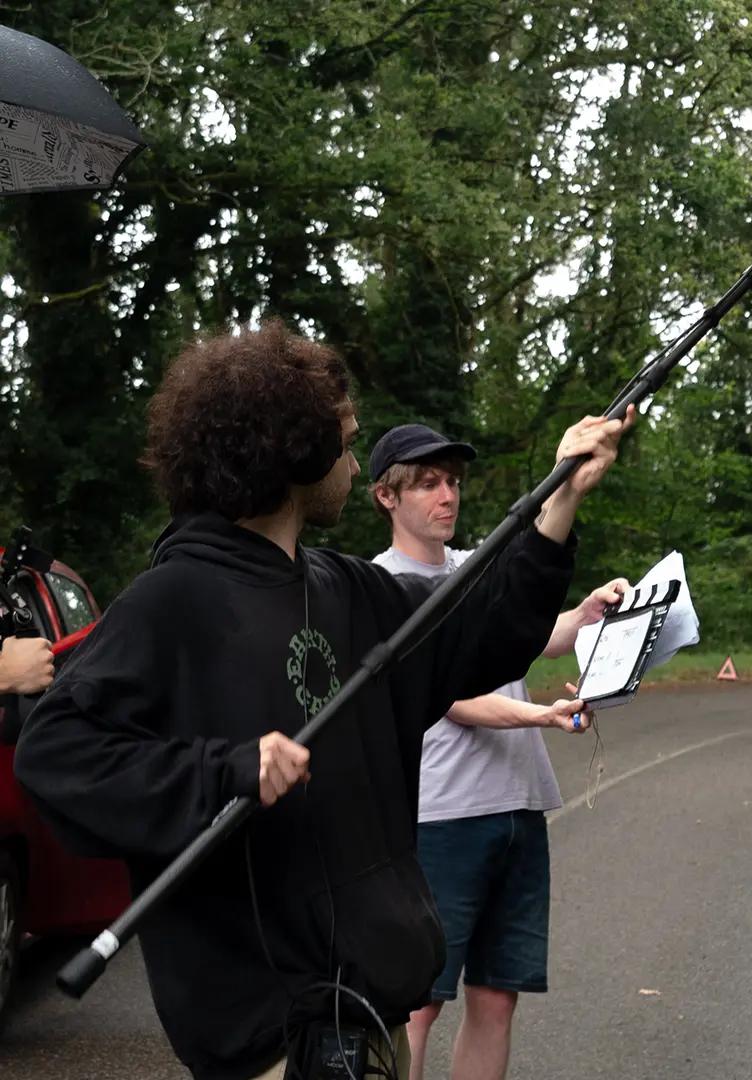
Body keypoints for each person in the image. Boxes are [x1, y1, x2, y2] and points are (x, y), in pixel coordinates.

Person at [12, 319, 634, 1080]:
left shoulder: (351, 592)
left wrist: (561, 498)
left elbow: (490, 631)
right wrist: (223, 771)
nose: (348, 457)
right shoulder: (171, 601)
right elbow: (57, 754)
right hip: (263, 1042)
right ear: (294, 451)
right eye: (343, 441)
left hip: (365, 1020)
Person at [368, 424, 627, 1080]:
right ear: (386, 497)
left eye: (452, 481)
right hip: (441, 816)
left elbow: (529, 634)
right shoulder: (379, 588)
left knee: (496, 995)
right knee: (417, 1002)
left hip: (519, 807)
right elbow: (449, 695)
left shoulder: (472, 568)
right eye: (427, 483)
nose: (446, 495)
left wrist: (585, 614)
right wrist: (540, 713)